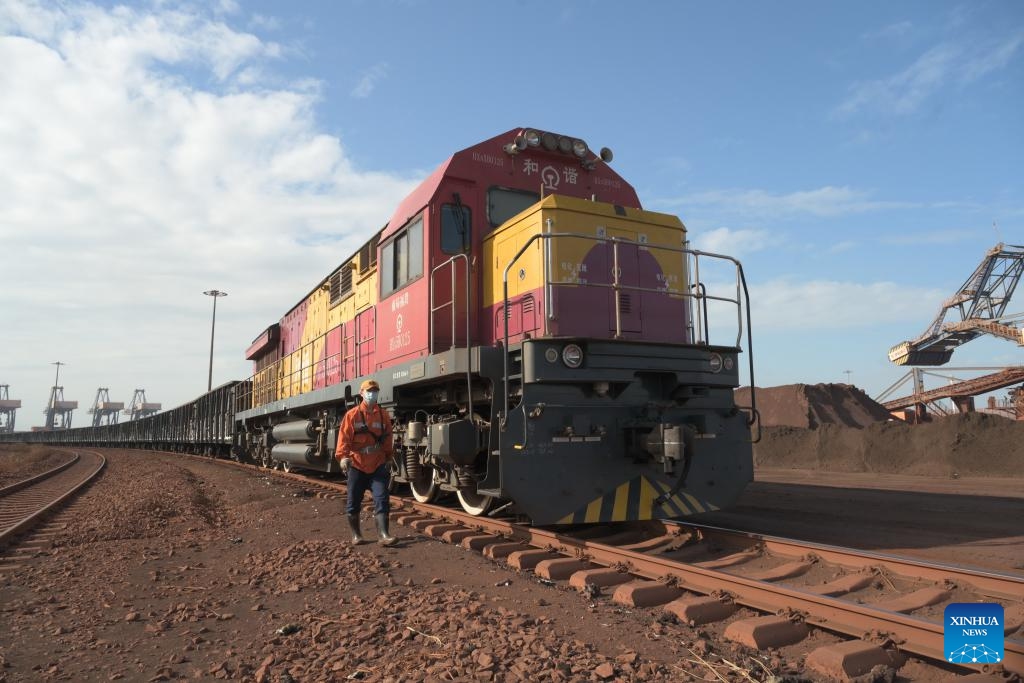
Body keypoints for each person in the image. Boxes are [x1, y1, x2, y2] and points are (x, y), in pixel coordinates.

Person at [336, 379, 397, 546]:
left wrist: (389, 457)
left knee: (382, 498)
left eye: (375, 391)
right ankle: (356, 535)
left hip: (377, 464)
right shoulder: (352, 415)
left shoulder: (383, 415)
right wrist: (343, 457)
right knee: (353, 501)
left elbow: (388, 438)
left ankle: (384, 535)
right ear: (361, 393)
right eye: (369, 391)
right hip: (357, 465)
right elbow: (344, 438)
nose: (372, 394)